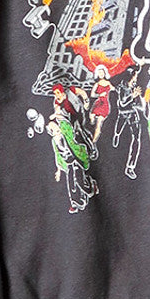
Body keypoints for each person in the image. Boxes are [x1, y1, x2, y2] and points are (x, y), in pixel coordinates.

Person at [48, 84, 99, 213]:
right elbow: (57, 112)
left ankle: (91, 150)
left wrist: (86, 101)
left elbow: (81, 92)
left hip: (77, 118)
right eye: (55, 94)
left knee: (81, 132)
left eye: (58, 92)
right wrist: (59, 169)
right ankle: (76, 202)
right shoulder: (57, 103)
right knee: (71, 181)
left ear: (62, 91)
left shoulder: (70, 91)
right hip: (68, 123)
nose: (57, 95)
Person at [90, 64, 113, 141]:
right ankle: (91, 123)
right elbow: (92, 95)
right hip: (98, 103)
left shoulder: (108, 83)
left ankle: (94, 140)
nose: (101, 74)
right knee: (92, 116)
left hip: (105, 104)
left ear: (105, 73)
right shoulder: (96, 84)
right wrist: (99, 95)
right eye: (99, 72)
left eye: (102, 72)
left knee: (99, 123)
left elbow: (114, 89)